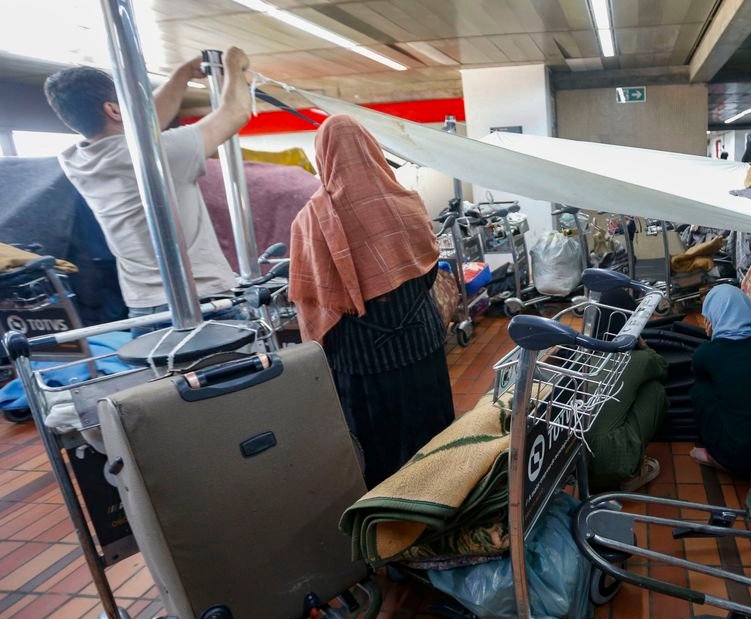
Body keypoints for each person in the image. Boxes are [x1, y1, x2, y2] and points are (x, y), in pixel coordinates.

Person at [290, 115, 454, 488]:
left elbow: (314, 299)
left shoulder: (310, 221)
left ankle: (391, 520)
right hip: (421, 345)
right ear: (371, 149)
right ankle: (444, 501)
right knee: (434, 438)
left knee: (380, 452)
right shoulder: (407, 203)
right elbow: (428, 273)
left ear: (323, 156)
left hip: (364, 362)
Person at [45, 49, 254, 333]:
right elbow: (236, 112)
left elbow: (144, 124)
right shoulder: (158, 155)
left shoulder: (75, 160)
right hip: (202, 303)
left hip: (144, 311)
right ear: (114, 110)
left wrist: (181, 75)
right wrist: (234, 64)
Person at [584, 288, 668, 491]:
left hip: (576, 462)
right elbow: (662, 368)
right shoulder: (636, 359)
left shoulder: (580, 353)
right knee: (655, 389)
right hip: (611, 463)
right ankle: (631, 473)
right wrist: (642, 344)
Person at [689, 285, 751, 476]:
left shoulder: (707, 353)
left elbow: (701, 370)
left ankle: (715, 456)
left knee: (700, 389)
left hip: (735, 457)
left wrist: (712, 338)